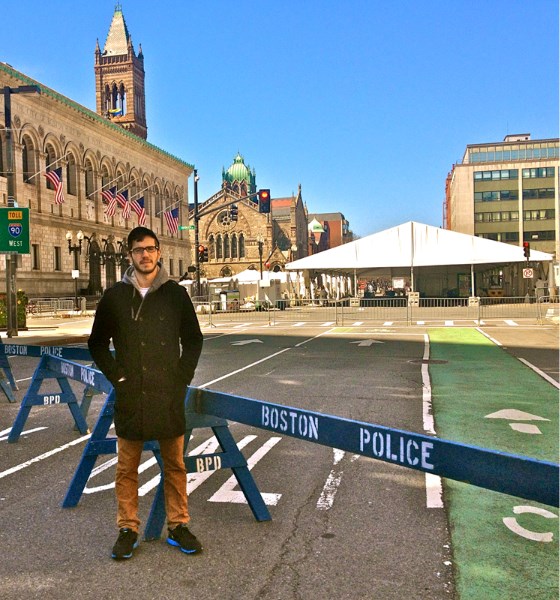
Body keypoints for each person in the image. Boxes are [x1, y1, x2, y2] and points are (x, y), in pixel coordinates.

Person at [88, 226, 204, 560]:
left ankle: (178, 525)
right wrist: (116, 377)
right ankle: (128, 528)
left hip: (167, 393)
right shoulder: (114, 297)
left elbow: (193, 339)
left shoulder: (174, 294)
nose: (145, 255)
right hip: (130, 395)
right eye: (139, 250)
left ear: (159, 251)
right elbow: (96, 343)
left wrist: (182, 378)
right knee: (127, 468)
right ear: (130, 255)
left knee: (175, 464)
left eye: (151, 248)